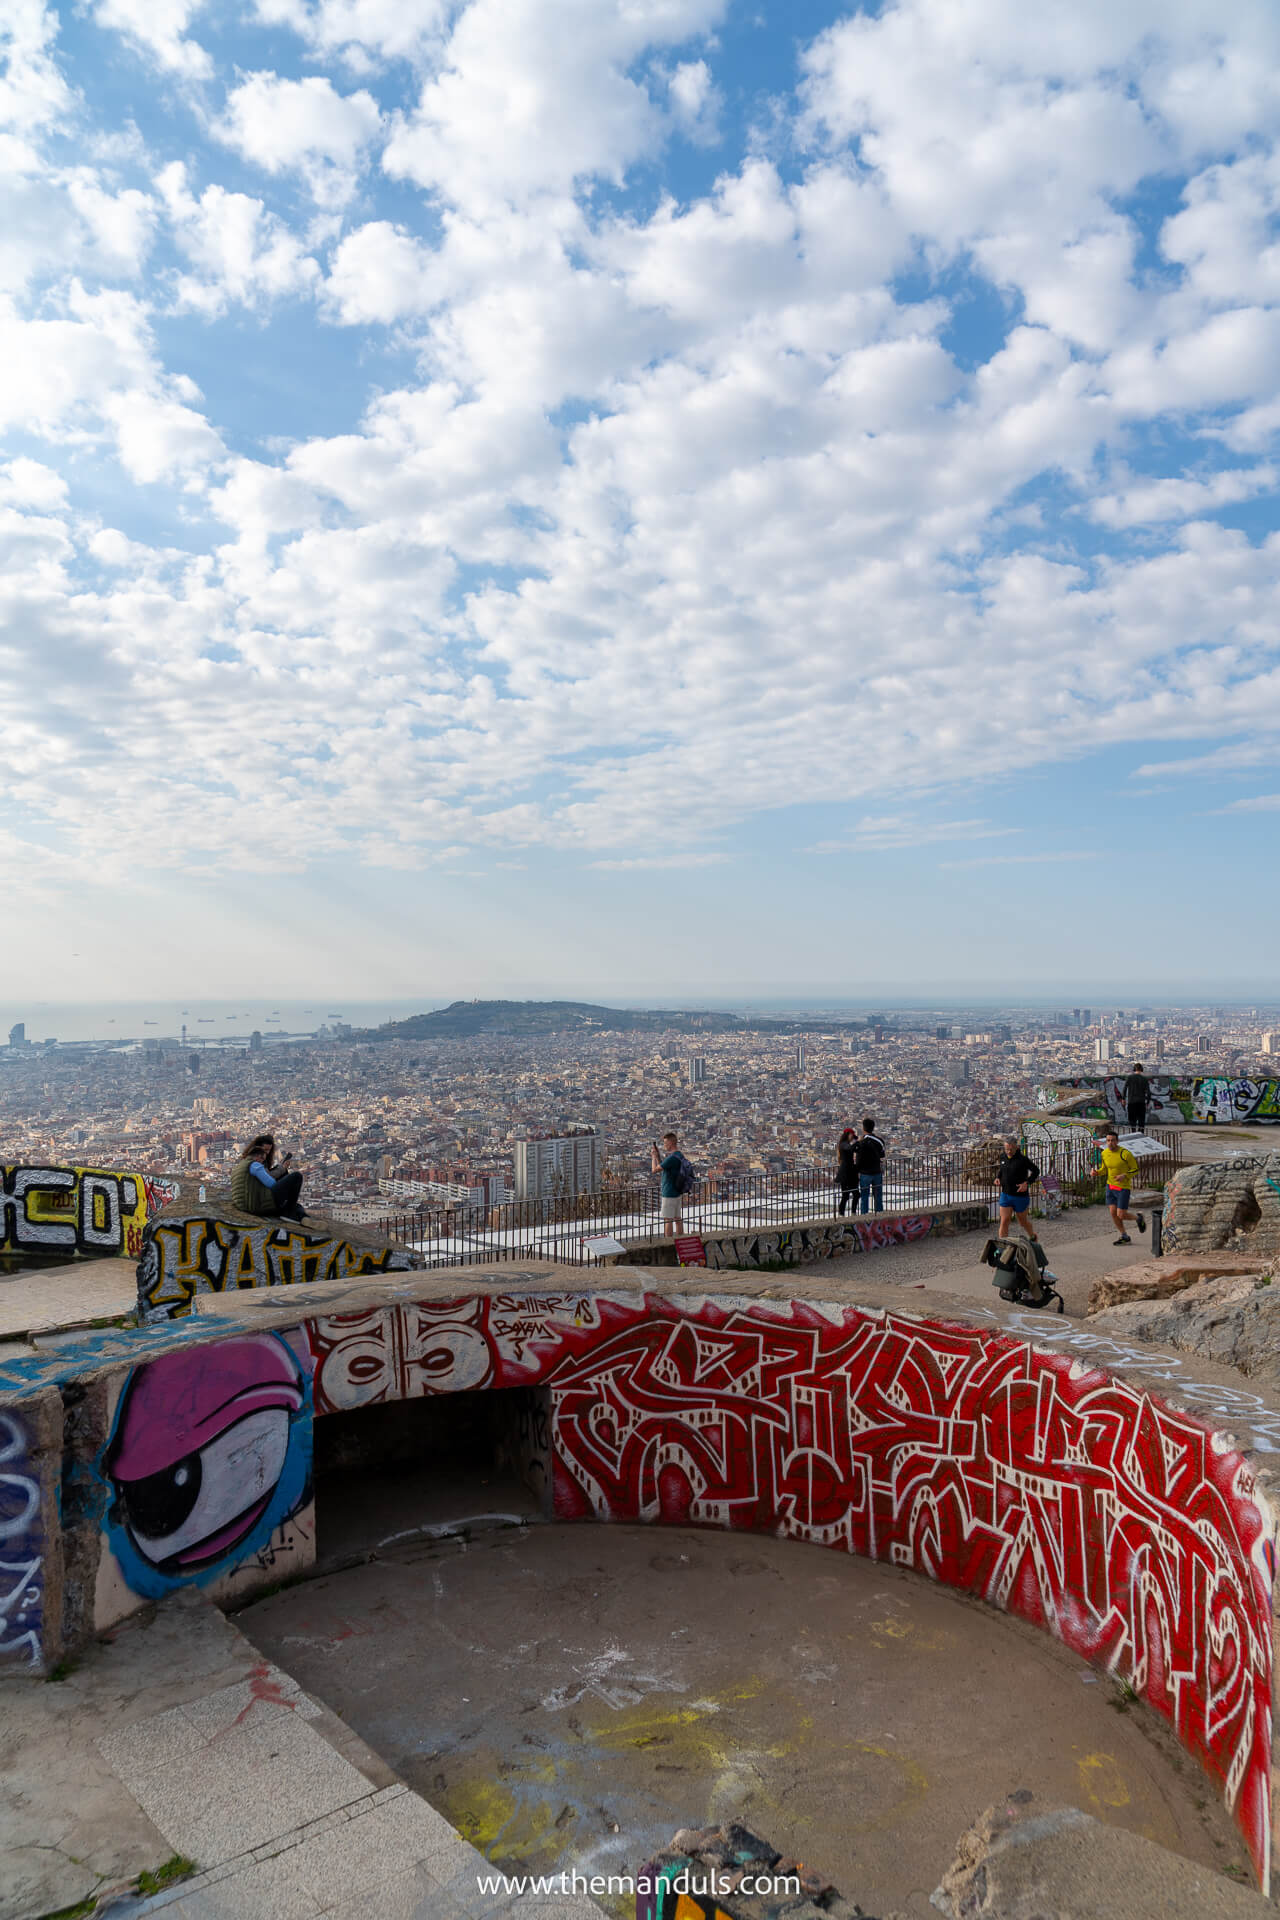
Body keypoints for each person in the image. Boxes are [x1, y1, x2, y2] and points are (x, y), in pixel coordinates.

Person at [231, 1132, 306, 1221]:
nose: (266, 1155)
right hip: (255, 1205)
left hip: (247, 1203)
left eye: (268, 1151)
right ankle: (289, 1213)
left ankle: (303, 1218)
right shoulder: (255, 1165)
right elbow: (271, 1184)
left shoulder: (241, 1164)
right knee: (296, 1176)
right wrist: (283, 1176)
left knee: (297, 1206)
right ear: (258, 1154)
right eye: (263, 1154)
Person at [1097, 1129, 1145, 1245]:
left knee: (1121, 1214)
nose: (1110, 1143)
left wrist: (1125, 1175)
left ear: (1117, 1141)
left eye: (1113, 1140)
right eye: (1108, 1140)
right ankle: (1124, 1235)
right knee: (1113, 1212)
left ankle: (1138, 1219)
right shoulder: (1104, 1153)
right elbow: (1104, 1170)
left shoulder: (1125, 1154)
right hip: (1110, 1186)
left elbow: (1135, 1169)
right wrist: (1096, 1173)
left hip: (1123, 1188)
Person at [995, 1136, 1041, 1245]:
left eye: (1011, 1149)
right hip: (1006, 1194)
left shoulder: (1023, 1160)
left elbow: (1036, 1171)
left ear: (1016, 1147)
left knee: (1022, 1222)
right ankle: (1003, 1246)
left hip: (1020, 1196)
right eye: (1006, 1149)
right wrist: (998, 1178)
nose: (1009, 1152)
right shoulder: (1003, 1157)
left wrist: (1027, 1183)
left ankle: (1033, 1236)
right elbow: (1002, 1169)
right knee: (1004, 1220)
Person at [651, 1131, 684, 1238]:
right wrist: (658, 1156)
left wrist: (653, 1157)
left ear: (670, 1143)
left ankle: (668, 1243)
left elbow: (655, 1170)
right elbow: (664, 1167)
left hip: (669, 1193)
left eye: (665, 1143)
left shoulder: (671, 1158)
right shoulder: (679, 1155)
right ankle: (681, 1240)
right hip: (678, 1192)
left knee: (667, 1220)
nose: (664, 1145)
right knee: (678, 1219)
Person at [854, 1117, 886, 1214]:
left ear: (863, 1128)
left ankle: (865, 1217)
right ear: (873, 1128)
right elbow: (882, 1155)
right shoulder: (880, 1141)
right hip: (877, 1172)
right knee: (878, 1196)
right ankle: (879, 1215)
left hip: (865, 1174)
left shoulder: (861, 1143)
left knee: (864, 1197)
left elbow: (858, 1161)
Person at [1123, 1064, 1151, 1136]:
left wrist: (1123, 1099)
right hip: (1141, 1102)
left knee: (1132, 1120)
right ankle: (1140, 1134)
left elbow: (1124, 1089)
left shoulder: (1130, 1077)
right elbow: (1148, 1092)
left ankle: (1133, 1133)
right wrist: (1147, 1102)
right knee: (1141, 1120)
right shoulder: (1144, 1079)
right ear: (1141, 1069)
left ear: (1134, 1069)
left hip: (1131, 1102)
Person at [836, 1128, 858, 1215]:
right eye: (852, 1136)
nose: (853, 1138)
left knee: (854, 1194)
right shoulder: (843, 1144)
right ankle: (843, 1213)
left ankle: (852, 1213)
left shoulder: (845, 1144)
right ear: (848, 1135)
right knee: (846, 1195)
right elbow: (850, 1149)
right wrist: (857, 1142)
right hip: (846, 1173)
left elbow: (854, 1149)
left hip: (849, 1172)